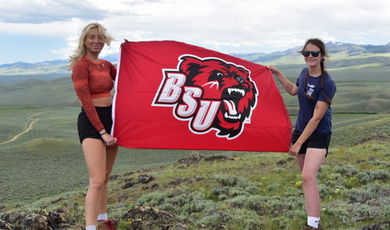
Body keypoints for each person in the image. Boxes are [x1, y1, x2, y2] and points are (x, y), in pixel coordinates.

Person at [269, 38, 336, 229]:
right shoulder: (304, 73)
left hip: (319, 133)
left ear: (322, 56)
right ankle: (312, 219)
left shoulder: (327, 82)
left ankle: (314, 226)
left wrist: (298, 144)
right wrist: (278, 75)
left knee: (307, 176)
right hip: (300, 130)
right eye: (306, 53)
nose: (310, 57)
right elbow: (293, 90)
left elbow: (316, 118)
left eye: (314, 53)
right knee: (307, 178)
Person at [69, 22, 118, 230]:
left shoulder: (107, 66)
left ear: (104, 40)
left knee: (106, 176)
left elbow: (128, 81)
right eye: (91, 37)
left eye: (99, 37)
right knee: (96, 179)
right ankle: (90, 227)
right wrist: (103, 132)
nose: (96, 41)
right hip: (92, 122)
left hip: (111, 119)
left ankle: (102, 220)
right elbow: (86, 102)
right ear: (84, 41)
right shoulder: (81, 66)